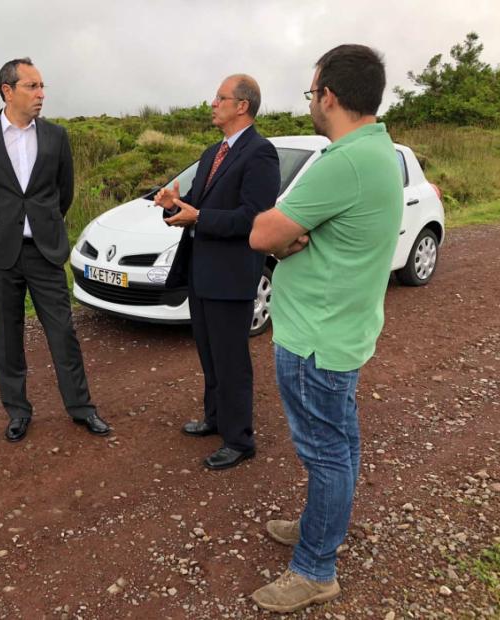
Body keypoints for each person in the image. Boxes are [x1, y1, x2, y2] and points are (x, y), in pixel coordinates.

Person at [247, 45, 403, 612]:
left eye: (312, 93)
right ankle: (324, 524)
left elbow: (264, 233)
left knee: (327, 453)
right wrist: (294, 236)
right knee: (340, 443)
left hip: (317, 338)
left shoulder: (345, 161)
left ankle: (316, 568)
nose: (312, 101)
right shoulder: (376, 149)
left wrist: (287, 239)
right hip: (341, 329)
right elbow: (293, 231)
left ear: (328, 95)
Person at [0, 58, 110, 443]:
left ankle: (81, 407)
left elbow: (64, 193)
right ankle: (18, 411)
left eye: (43, 86)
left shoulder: (57, 136)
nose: (41, 94)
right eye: (32, 86)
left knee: (63, 332)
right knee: (7, 336)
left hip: (44, 251)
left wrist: (41, 224)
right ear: (7, 91)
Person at [153, 74, 280, 470]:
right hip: (202, 270)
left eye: (220, 97)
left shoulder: (261, 153)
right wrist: (173, 204)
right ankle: (215, 418)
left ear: (242, 105)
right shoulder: (213, 152)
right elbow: (195, 205)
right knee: (209, 354)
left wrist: (199, 216)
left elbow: (253, 218)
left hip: (231, 275)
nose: (213, 103)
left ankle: (240, 439)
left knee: (231, 360)